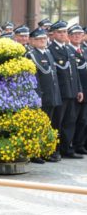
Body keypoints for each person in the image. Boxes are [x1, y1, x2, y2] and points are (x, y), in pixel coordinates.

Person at [48, 20, 84, 160]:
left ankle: (66, 148)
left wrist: (79, 89)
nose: (62, 34)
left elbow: (74, 72)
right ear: (54, 34)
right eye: (60, 32)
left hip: (72, 91)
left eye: (64, 32)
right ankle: (54, 150)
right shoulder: (51, 50)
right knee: (57, 122)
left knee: (70, 121)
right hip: (61, 93)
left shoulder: (68, 49)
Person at [26, 27, 62, 163]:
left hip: (52, 95)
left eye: (44, 39)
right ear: (32, 41)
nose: (42, 41)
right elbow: (33, 79)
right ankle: (36, 153)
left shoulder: (47, 53)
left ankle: (47, 151)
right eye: (39, 39)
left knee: (50, 125)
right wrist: (37, 96)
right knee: (39, 126)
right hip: (42, 96)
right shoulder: (31, 55)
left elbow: (53, 76)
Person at [67, 24, 87, 155]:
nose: (77, 36)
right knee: (72, 119)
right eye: (74, 34)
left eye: (79, 34)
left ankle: (80, 144)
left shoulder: (84, 50)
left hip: (85, 89)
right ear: (69, 36)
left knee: (83, 120)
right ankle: (70, 145)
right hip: (76, 90)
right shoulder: (68, 50)